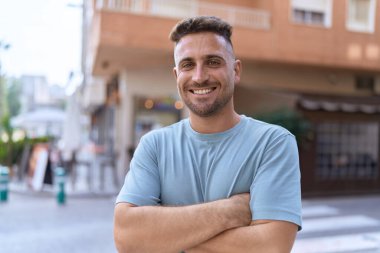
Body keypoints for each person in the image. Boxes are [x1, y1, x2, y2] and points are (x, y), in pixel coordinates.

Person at [114, 16, 302, 253]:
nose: (199, 76)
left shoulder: (272, 143)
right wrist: (230, 211)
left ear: (236, 70)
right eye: (187, 64)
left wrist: (163, 236)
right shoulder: (154, 145)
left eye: (213, 62)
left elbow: (271, 247)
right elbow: (126, 237)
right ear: (176, 76)